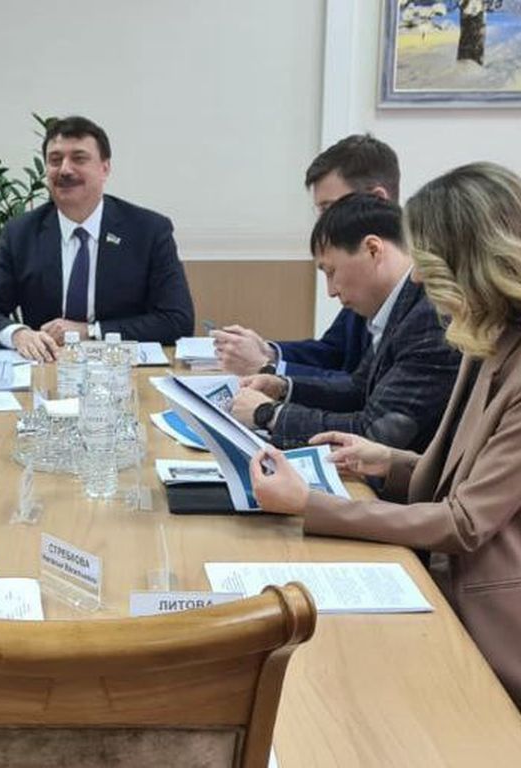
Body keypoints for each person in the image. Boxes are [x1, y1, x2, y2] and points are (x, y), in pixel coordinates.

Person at [249, 162, 521, 706]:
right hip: (441, 580)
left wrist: (310, 504)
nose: (416, 279)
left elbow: (465, 522)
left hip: (491, 624)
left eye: (427, 261)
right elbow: (461, 476)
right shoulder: (485, 338)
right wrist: (387, 461)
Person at [230, 193, 460, 453]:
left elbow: (374, 434)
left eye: (331, 272)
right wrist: (283, 387)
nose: (330, 291)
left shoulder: (430, 317)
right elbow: (358, 389)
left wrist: (269, 414)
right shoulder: (401, 306)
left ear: (373, 250)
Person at [0, 115, 195, 361]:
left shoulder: (148, 230)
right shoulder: (21, 233)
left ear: (105, 168)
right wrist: (18, 334)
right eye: (55, 160)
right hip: (48, 366)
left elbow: (177, 320)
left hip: (121, 368)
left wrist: (90, 332)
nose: (65, 170)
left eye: (79, 158)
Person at [212, 134, 400, 379]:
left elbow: (363, 389)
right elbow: (334, 352)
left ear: (377, 200)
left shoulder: (420, 290)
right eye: (320, 211)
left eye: (330, 208)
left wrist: (268, 369)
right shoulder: (361, 273)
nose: (322, 223)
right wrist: (269, 353)